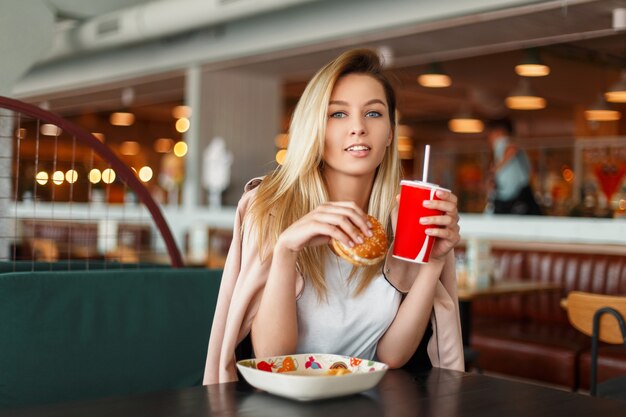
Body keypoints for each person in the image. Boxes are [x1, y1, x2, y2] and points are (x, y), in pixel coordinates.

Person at [203, 49, 463, 385]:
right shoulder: (269, 207)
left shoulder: (405, 217)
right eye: (338, 114)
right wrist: (285, 250)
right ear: (315, 129)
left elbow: (391, 355)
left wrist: (433, 261)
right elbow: (274, 358)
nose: (358, 127)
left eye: (373, 113)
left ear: (389, 135)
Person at [485, 118, 542, 215]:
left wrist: (496, 169)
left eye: (490, 134)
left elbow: (512, 149)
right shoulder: (518, 152)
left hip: (513, 200)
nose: (489, 138)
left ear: (498, 132)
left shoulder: (503, 144)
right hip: (516, 199)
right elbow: (530, 170)